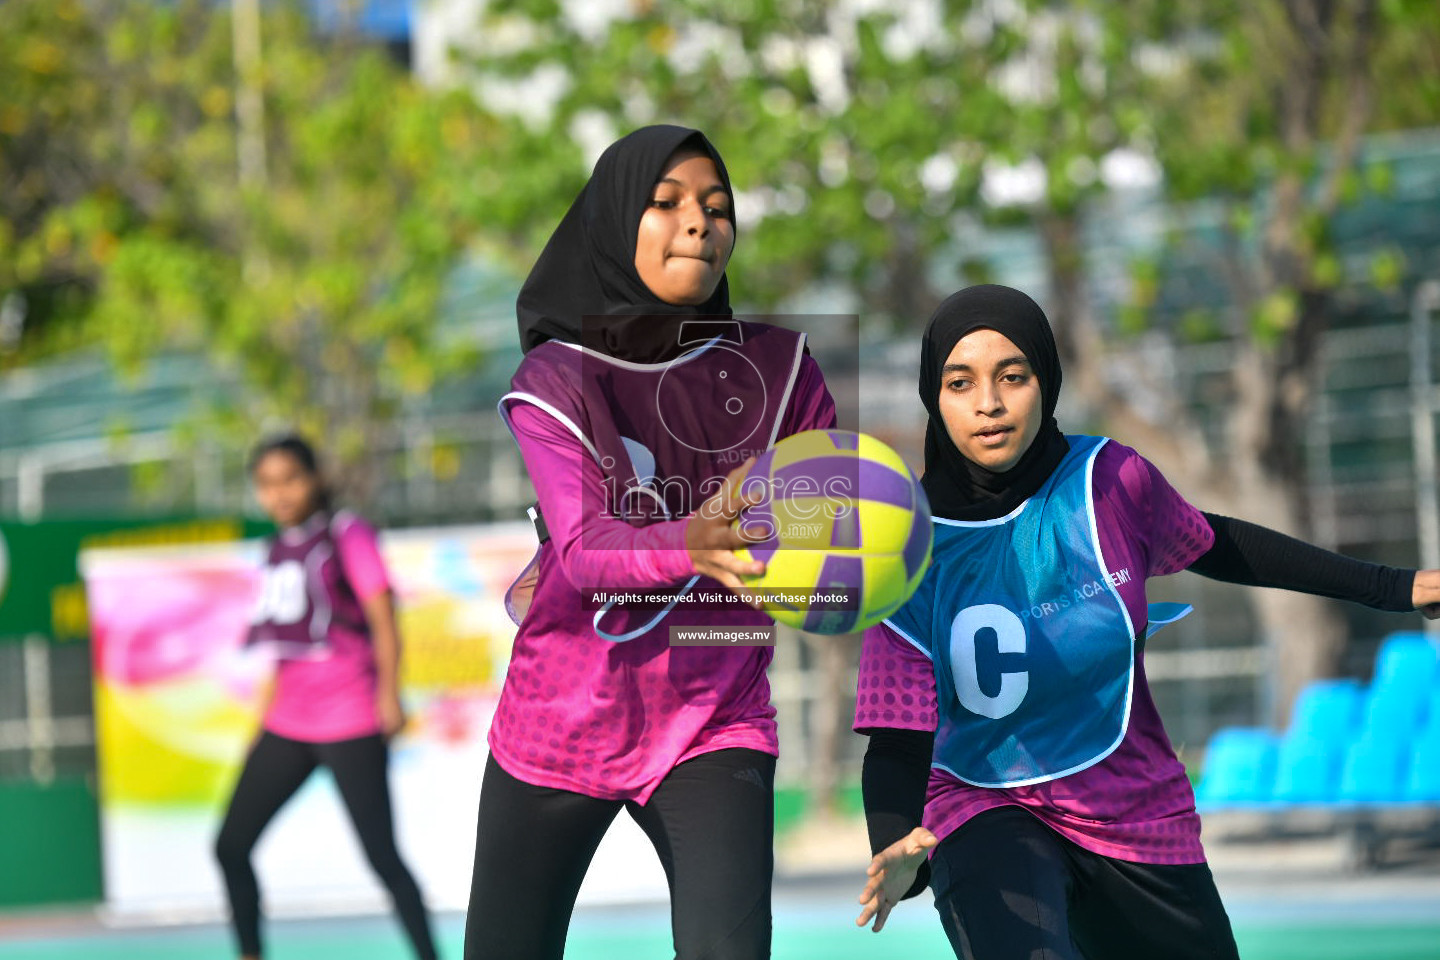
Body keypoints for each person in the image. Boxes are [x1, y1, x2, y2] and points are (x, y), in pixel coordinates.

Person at [852, 284, 1440, 959]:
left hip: (1133, 810)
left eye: (1013, 376)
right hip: (985, 807)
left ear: (1047, 380)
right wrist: (898, 850)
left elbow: (1222, 545)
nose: (989, 402)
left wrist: (1397, 586)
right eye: (961, 382)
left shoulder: (1110, 482)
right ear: (935, 395)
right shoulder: (906, 550)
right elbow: (896, 740)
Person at [463, 124, 837, 960]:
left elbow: (825, 534)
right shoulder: (556, 380)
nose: (699, 222)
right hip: (564, 720)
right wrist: (694, 541)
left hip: (716, 715)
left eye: (716, 205)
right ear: (611, 223)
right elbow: (588, 550)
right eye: (665, 204)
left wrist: (854, 546)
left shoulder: (783, 372)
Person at [215, 435, 439, 960]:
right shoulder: (274, 549)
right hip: (290, 722)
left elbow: (383, 616)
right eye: (267, 484)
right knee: (230, 845)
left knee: (382, 857)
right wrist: (261, 721)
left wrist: (390, 694)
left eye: (290, 478)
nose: (280, 493)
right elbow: (283, 646)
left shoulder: (346, 533)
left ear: (315, 477)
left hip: (350, 716)